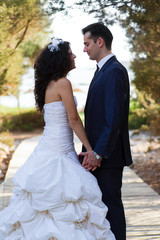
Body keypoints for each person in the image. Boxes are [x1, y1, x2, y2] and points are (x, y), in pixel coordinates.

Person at [0, 37, 116, 240]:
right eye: (70, 53)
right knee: (68, 199)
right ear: (63, 59)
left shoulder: (48, 84)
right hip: (59, 150)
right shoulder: (64, 83)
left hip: (52, 145)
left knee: (45, 204)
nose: (75, 55)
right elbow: (73, 119)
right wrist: (89, 149)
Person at [80, 23, 133, 240]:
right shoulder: (102, 70)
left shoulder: (114, 71)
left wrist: (98, 153)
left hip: (108, 157)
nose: (85, 49)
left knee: (111, 205)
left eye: (87, 43)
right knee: (101, 206)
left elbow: (113, 118)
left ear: (99, 42)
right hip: (97, 154)